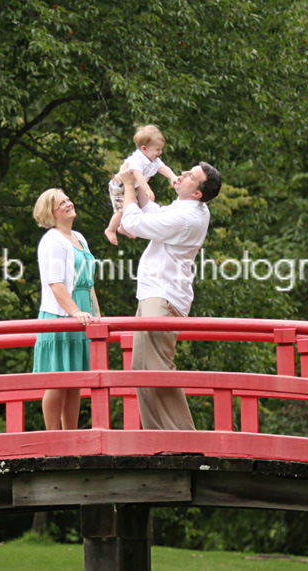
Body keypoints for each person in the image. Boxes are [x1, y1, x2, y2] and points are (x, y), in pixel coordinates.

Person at [119, 161, 222, 430]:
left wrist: (130, 186)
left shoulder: (187, 216)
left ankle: (184, 439)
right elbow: (155, 215)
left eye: (191, 176)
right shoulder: (190, 208)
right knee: (141, 369)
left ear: (197, 192)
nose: (183, 174)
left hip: (163, 295)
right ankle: (158, 440)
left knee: (156, 368)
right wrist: (141, 184)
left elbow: (133, 222)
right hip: (157, 292)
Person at [32, 188, 100, 430]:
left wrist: (96, 313)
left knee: (75, 381)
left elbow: (87, 281)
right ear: (51, 212)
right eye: (62, 203)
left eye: (68, 199)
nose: (69, 204)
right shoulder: (53, 240)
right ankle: (54, 438)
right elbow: (55, 283)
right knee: (58, 380)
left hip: (81, 313)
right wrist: (75, 312)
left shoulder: (79, 238)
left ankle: (71, 437)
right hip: (60, 315)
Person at [104, 125, 178, 245]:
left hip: (132, 186)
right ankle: (110, 229)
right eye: (157, 150)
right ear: (144, 149)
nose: (160, 152)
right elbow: (138, 175)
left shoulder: (153, 159)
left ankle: (123, 228)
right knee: (122, 210)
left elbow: (163, 168)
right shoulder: (137, 159)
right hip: (119, 186)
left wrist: (173, 177)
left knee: (133, 208)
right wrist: (147, 189)